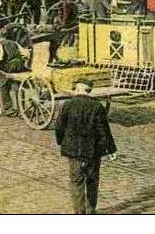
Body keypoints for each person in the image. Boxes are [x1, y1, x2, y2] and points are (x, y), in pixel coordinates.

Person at [54, 80, 117, 214]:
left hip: (74, 151)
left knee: (76, 181)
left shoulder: (67, 105)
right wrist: (111, 149)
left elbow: (59, 127)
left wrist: (62, 142)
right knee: (92, 181)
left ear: (77, 89)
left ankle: (79, 213)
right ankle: (91, 210)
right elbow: (104, 130)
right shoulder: (97, 106)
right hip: (93, 151)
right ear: (89, 91)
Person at [0, 30, 29, 116]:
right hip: (19, 64)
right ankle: (21, 107)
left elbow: (0, 57)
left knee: (3, 85)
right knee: (17, 84)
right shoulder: (15, 43)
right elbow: (25, 53)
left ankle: (8, 108)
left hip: (9, 66)